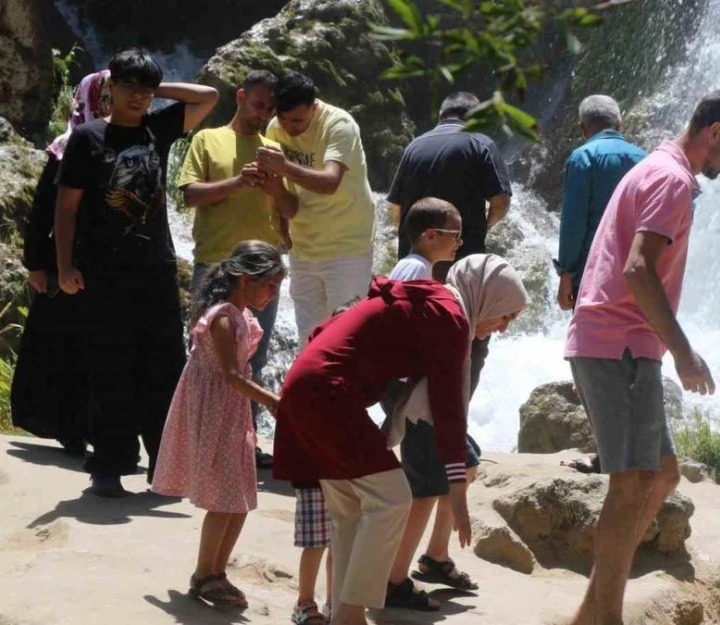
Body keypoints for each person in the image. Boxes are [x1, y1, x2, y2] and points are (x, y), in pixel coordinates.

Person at [563, 89, 720, 625]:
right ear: (715, 132)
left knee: (663, 474)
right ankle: (607, 617)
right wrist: (684, 353)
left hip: (622, 342)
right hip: (620, 343)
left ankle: (591, 612)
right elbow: (637, 269)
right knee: (630, 484)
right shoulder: (672, 180)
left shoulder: (657, 166)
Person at [272, 255, 530, 625]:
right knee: (393, 498)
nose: (504, 327)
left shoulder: (435, 302)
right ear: (489, 297)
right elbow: (448, 404)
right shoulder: (451, 315)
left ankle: (345, 614)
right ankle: (349, 615)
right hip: (328, 393)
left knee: (350, 512)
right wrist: (457, 491)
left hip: (304, 385)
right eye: (507, 315)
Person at [54, 49, 219, 497]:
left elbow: (209, 97)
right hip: (103, 273)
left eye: (145, 91)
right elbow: (66, 209)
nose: (137, 98)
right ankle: (108, 464)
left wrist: (152, 87)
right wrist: (64, 265)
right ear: (110, 88)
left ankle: (163, 469)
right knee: (110, 367)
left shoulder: (156, 128)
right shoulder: (87, 138)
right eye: (129, 88)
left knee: (164, 368)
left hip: (156, 271)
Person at [151, 240, 285, 609]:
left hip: (234, 411)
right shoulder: (224, 317)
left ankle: (216, 572)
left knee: (240, 498)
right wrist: (272, 401)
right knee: (224, 499)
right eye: (270, 285)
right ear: (245, 279)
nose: (274, 294)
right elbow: (229, 375)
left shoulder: (241, 315)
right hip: (218, 411)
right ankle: (204, 573)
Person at [178, 69, 294, 469]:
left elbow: (290, 209)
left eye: (270, 108)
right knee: (203, 356)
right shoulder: (208, 139)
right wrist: (237, 184)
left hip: (262, 273)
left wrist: (275, 186)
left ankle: (246, 442)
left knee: (255, 357)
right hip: (215, 264)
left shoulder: (273, 149)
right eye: (259, 103)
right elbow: (190, 195)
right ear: (241, 96)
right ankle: (193, 441)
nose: (264, 113)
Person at [382, 199, 483, 608]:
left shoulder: (423, 269)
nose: (460, 242)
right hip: (412, 391)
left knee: (467, 463)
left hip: (413, 386)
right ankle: (394, 581)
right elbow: (396, 322)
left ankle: (435, 556)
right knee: (424, 488)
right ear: (430, 235)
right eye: (455, 234)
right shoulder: (414, 270)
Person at [386, 91, 513, 396]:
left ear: (441, 116)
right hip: (463, 269)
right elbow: (501, 201)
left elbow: (395, 211)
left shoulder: (414, 146)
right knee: (469, 343)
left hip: (419, 266)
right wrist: (478, 229)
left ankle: (416, 418)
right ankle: (454, 419)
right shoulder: (481, 143)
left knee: (417, 341)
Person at [11, 69, 111, 455]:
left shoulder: (123, 141)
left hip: (107, 261)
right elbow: (42, 212)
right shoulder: (66, 147)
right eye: (106, 96)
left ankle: (98, 427)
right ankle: (70, 427)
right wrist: (38, 264)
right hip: (67, 260)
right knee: (65, 347)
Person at [259, 72, 377, 344]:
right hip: (303, 248)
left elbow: (329, 182)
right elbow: (281, 190)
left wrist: (284, 165)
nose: (289, 127)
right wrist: (283, 230)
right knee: (308, 340)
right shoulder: (275, 128)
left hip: (348, 248)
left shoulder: (340, 125)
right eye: (283, 118)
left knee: (347, 339)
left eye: (298, 120)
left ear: (314, 107)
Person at [555, 95, 646, 311]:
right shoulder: (645, 158)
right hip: (637, 275)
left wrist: (566, 273)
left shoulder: (583, 157)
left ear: (583, 129)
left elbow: (573, 223)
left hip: (593, 275)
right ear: (619, 123)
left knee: (593, 341)